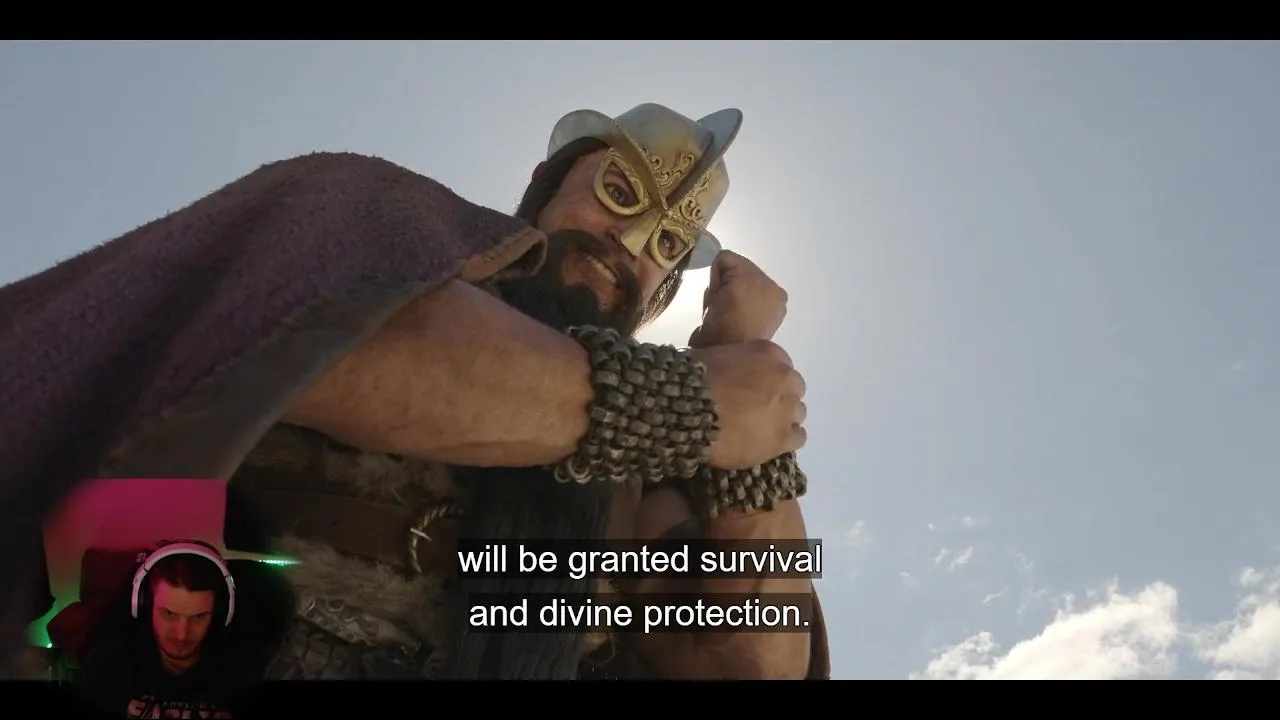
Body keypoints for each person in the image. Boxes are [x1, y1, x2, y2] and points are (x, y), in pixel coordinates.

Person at [0, 102, 826, 679]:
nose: (632, 241)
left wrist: (745, 391)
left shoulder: (647, 479)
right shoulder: (404, 236)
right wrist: (689, 407)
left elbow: (750, 662)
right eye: (618, 191)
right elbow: (314, 339)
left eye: (669, 243)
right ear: (546, 184)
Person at [72, 541, 252, 717]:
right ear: (145, 605)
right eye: (168, 614)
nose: (182, 634)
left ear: (220, 612)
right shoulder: (106, 666)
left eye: (199, 617)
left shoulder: (243, 672)